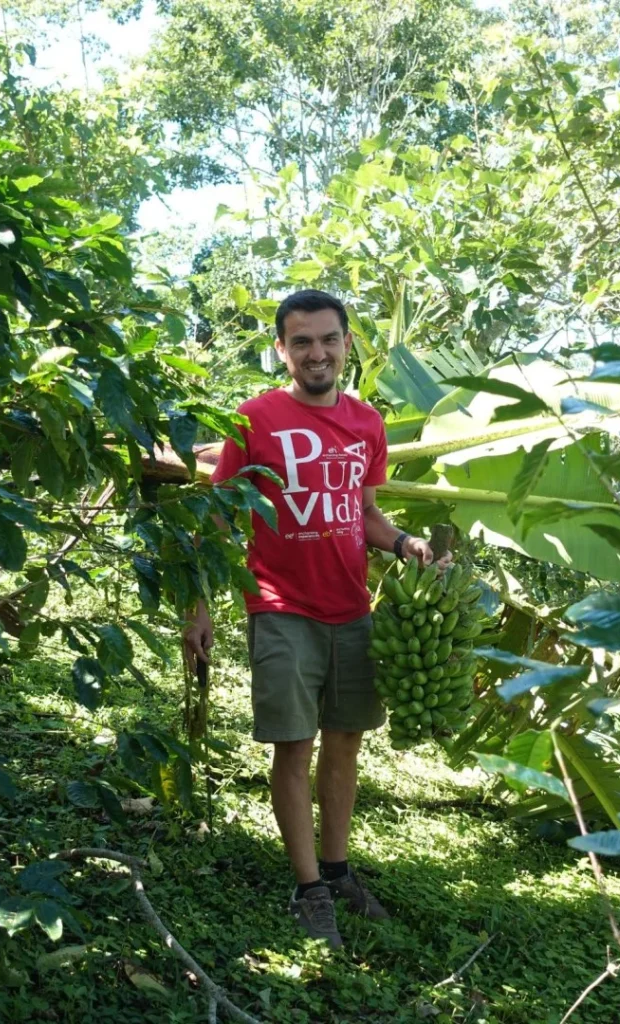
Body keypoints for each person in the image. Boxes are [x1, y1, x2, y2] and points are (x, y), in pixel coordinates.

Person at [184, 289, 450, 948]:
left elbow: (364, 512)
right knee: (294, 747)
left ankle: (337, 872)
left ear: (347, 344)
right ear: (282, 349)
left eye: (328, 339)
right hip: (280, 606)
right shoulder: (253, 419)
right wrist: (198, 607)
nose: (316, 352)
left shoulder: (367, 423)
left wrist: (405, 544)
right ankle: (308, 890)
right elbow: (215, 519)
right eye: (301, 341)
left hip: (351, 608)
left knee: (346, 744)